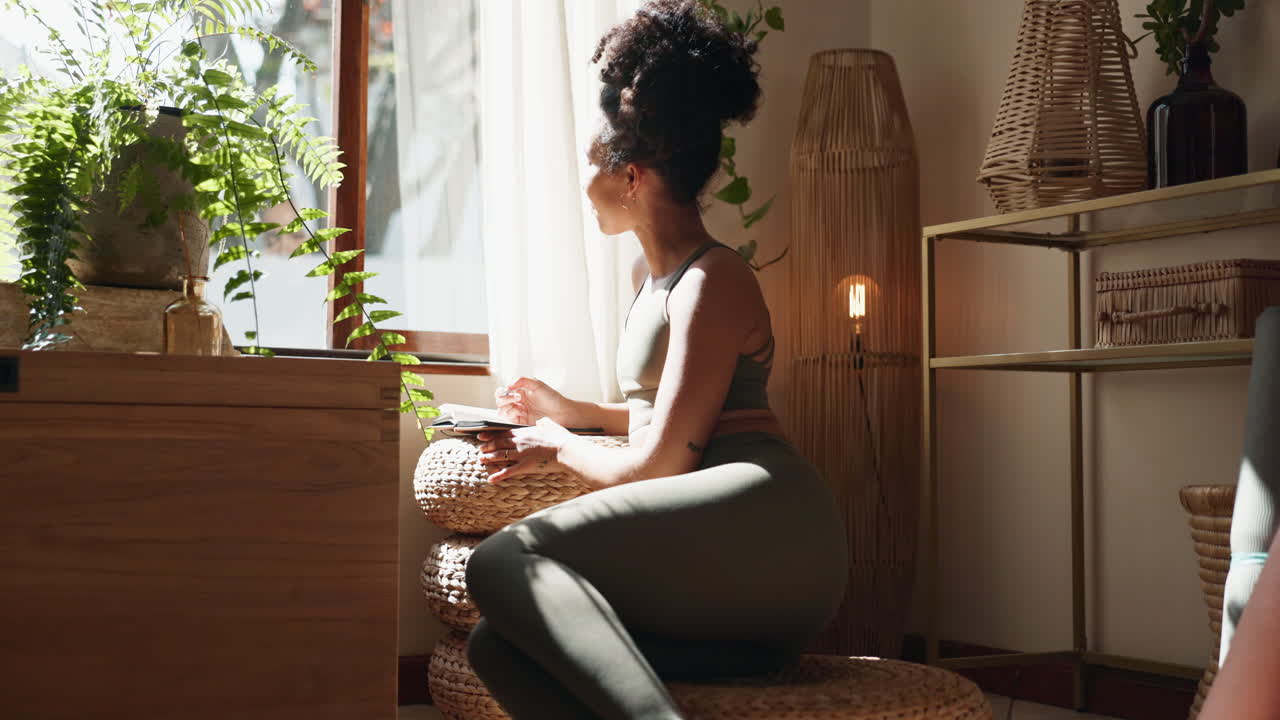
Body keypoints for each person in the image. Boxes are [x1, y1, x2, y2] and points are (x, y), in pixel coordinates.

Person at [461, 2, 849, 718]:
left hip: (770, 532)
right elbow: (673, 413)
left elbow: (657, 464)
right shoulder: (655, 282)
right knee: (496, 643)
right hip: (715, 549)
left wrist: (557, 445)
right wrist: (571, 411)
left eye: (591, 169)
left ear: (632, 176)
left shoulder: (714, 279)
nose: (585, 187)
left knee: (499, 562)